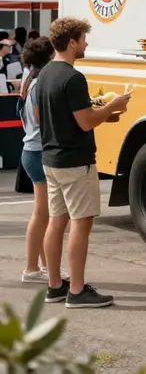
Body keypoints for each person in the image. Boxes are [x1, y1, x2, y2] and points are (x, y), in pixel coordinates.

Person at [38, 17, 131, 308]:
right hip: (76, 161)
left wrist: (101, 114)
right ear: (72, 42)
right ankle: (77, 290)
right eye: (84, 38)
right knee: (80, 223)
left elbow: (47, 117)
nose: (87, 43)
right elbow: (86, 121)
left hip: (51, 158)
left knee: (56, 222)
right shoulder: (73, 77)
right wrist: (113, 107)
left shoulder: (45, 74)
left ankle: (55, 285)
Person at [19, 36, 56, 283]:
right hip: (37, 151)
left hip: (31, 151)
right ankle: (32, 268)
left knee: (42, 213)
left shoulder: (29, 78)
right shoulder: (38, 82)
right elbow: (41, 117)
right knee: (42, 214)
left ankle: (41, 265)